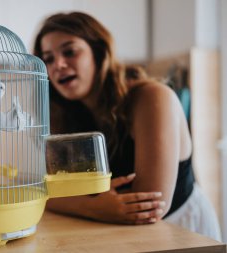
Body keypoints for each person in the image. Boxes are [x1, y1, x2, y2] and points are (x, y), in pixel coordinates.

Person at [33, 12, 221, 241]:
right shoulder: (62, 114)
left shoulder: (152, 97)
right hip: (115, 229)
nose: (58, 65)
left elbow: (149, 205)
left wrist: (77, 201)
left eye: (70, 51)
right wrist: (95, 205)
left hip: (181, 228)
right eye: (48, 58)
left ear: (99, 52)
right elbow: (41, 190)